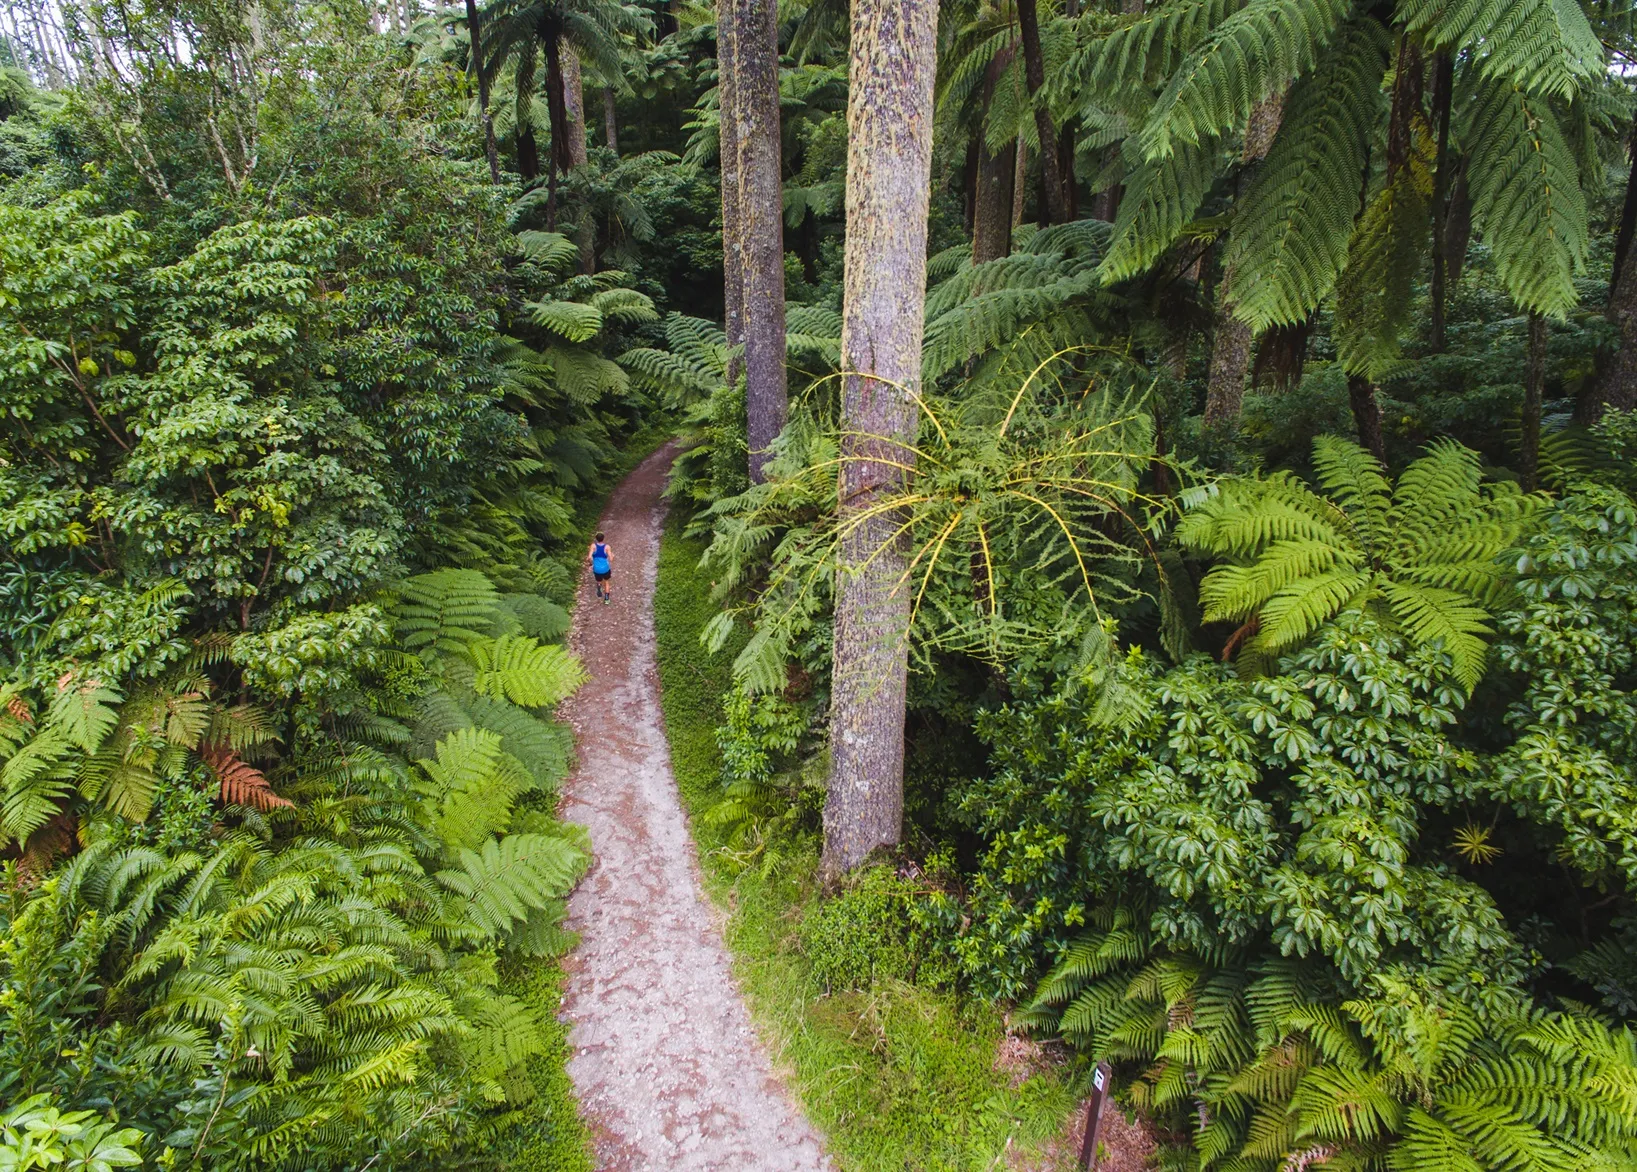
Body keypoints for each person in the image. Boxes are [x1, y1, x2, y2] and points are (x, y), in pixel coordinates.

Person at [589, 532, 613, 603]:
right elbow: (611, 559)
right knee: (607, 582)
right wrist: (613, 556)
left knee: (598, 580)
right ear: (603, 538)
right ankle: (606, 599)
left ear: (596, 539)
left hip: (597, 569)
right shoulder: (607, 547)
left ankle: (599, 587)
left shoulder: (593, 546)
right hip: (605, 569)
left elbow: (589, 557)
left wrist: (591, 564)